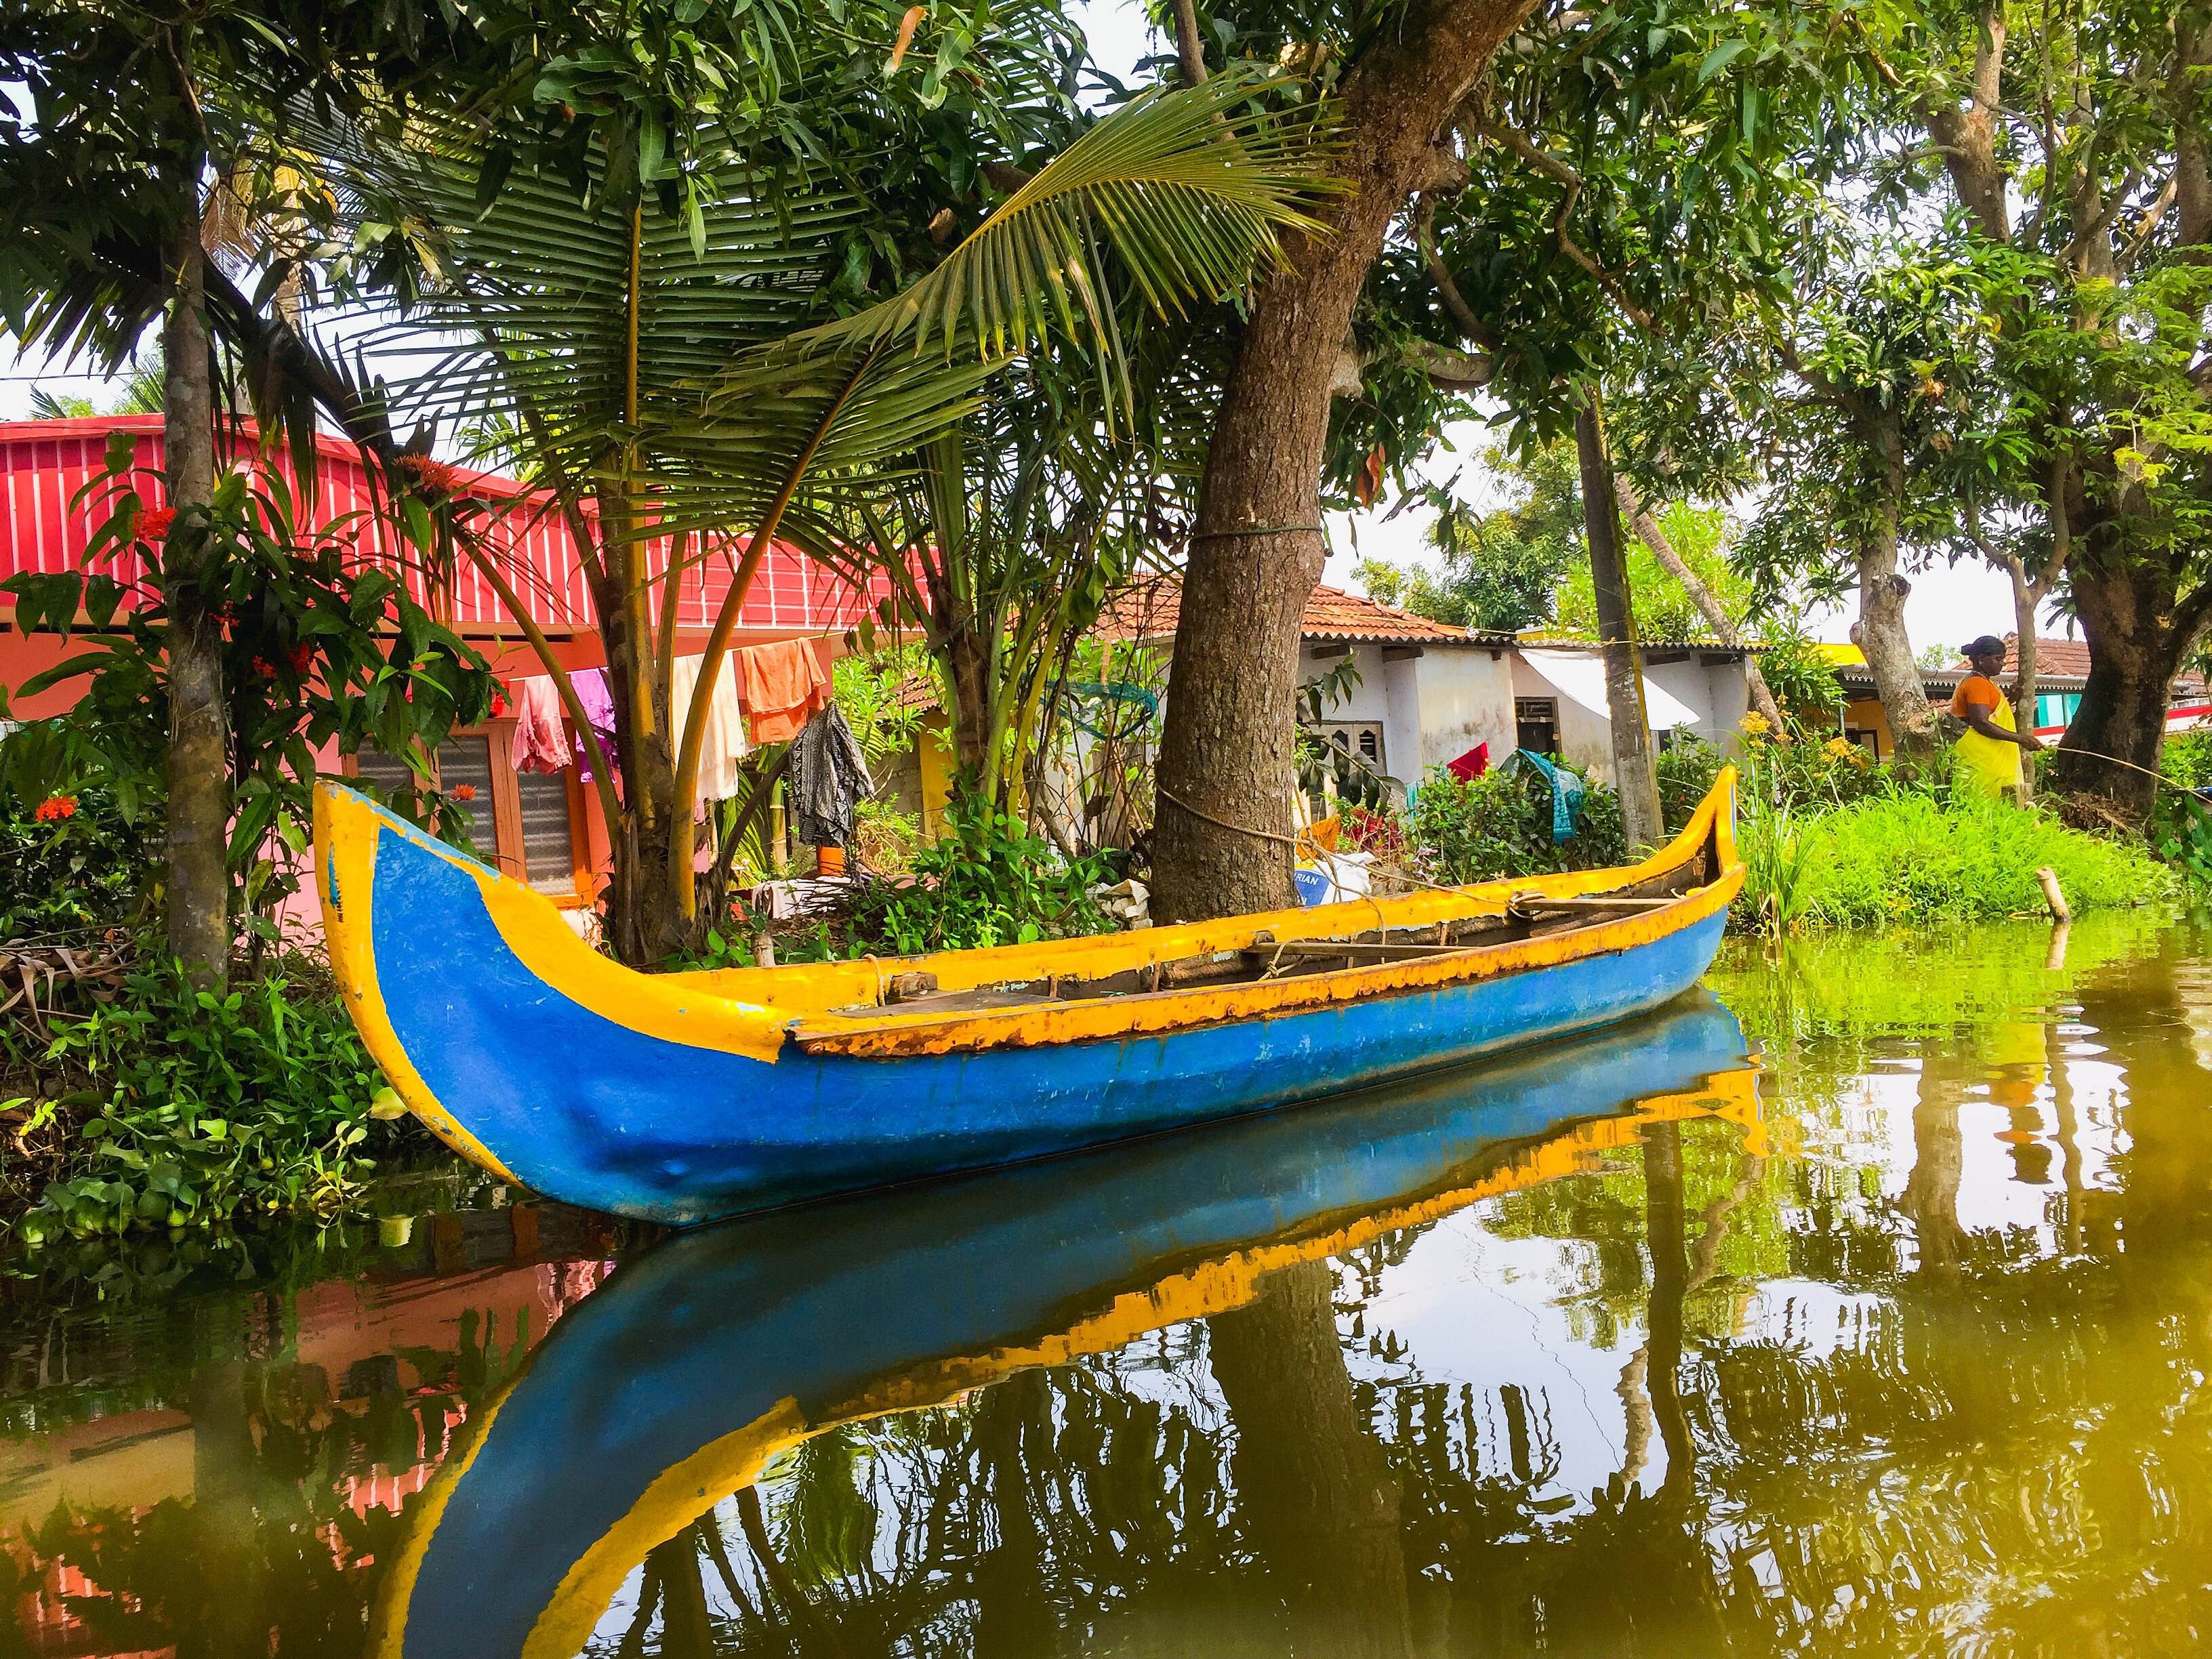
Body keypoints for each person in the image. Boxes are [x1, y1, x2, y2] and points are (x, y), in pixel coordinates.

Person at [1951, 634, 2043, 799]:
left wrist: (2011, 700)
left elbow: (1992, 714)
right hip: (1982, 756)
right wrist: (2022, 739)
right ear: (1981, 658)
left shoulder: (1984, 681)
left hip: (1988, 755)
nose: (2003, 663)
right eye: (1998, 659)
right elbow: (1981, 723)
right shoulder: (1976, 684)